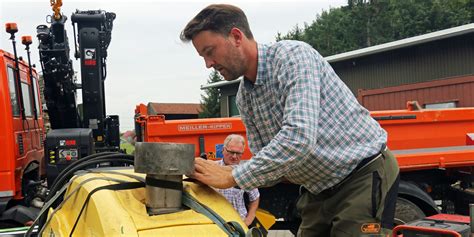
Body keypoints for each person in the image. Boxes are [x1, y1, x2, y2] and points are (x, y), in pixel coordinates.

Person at [181, 4, 400, 237]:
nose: (208, 64)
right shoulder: (245, 97)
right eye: (204, 56)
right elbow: (269, 164)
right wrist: (217, 171)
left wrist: (232, 176)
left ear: (236, 36)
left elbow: (298, 138)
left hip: (361, 176)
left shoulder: (293, 57)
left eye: (210, 51)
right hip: (318, 190)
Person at [215, 134, 260, 227]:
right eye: (231, 152)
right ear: (223, 150)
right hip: (216, 222)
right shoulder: (212, 169)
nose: (235, 157)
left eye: (239, 153)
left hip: (238, 223)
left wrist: (248, 220)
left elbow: (255, 197)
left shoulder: (245, 172)